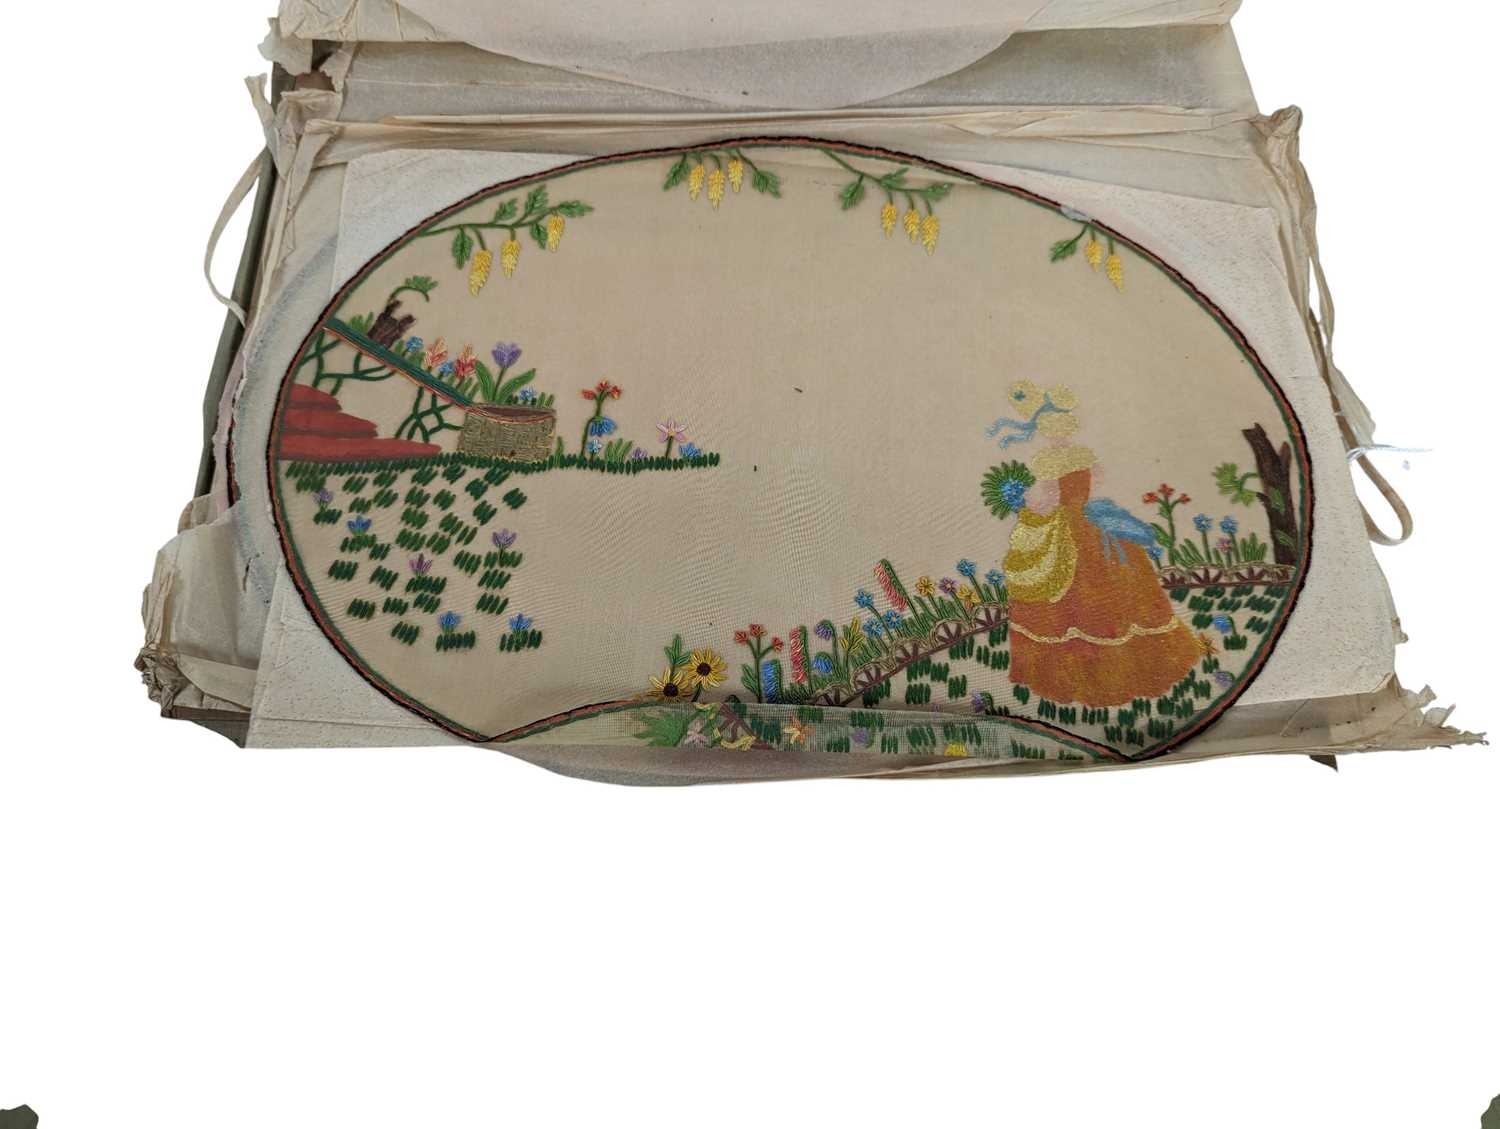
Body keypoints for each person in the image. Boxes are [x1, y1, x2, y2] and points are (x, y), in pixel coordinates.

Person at [993, 382, 1200, 707]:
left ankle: (1086, 671)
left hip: (1069, 526)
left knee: (1072, 589)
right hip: (1093, 521)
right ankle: (1126, 666)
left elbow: (1050, 499)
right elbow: (1095, 484)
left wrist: (1028, 508)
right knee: (1113, 583)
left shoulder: (1048, 461)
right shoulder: (1084, 457)